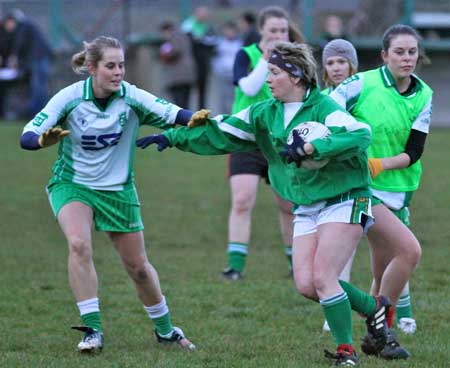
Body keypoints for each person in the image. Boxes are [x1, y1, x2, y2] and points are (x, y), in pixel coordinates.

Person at [137, 41, 392, 367]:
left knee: (324, 277)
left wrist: (315, 146)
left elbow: (360, 135)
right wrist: (172, 137)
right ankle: (374, 308)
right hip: (307, 204)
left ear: (297, 76)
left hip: (346, 197)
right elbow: (219, 131)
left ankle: (346, 353)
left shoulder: (325, 108)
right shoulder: (263, 113)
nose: (268, 79)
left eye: (274, 72)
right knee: (306, 284)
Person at [19, 36, 195, 353]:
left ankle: (166, 331)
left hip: (117, 190)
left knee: (138, 268)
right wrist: (40, 141)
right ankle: (92, 331)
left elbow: (173, 112)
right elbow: (28, 134)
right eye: (110, 66)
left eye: (122, 65)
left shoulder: (132, 97)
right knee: (78, 244)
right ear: (92, 68)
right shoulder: (70, 98)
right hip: (73, 184)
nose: (118, 72)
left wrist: (200, 118)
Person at [330, 24, 432, 359]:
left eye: (412, 52)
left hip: (399, 190)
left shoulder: (424, 95)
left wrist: (380, 164)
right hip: (363, 188)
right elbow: (327, 112)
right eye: (399, 52)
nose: (407, 59)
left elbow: (414, 151)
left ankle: (374, 334)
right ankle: (384, 329)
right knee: (410, 252)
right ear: (384, 55)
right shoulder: (361, 83)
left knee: (382, 273)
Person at [221, 6, 305, 281]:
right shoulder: (245, 55)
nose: (279, 35)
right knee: (243, 201)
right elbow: (249, 88)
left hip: (279, 140)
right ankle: (235, 267)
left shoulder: (294, 59)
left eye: (283, 30)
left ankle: (296, 265)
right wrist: (267, 59)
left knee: (288, 205)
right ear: (261, 31)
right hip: (246, 139)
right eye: (273, 30)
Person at [320, 38, 359, 333]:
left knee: (390, 251)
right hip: (330, 184)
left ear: (352, 65)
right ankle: (334, 304)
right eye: (331, 62)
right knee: (338, 250)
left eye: (341, 61)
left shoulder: (362, 95)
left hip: (365, 181)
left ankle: (399, 312)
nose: (336, 67)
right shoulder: (321, 99)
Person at [3, 9, 53, 117]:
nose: (7, 28)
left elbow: (20, 43)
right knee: (40, 86)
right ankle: (40, 112)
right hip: (41, 58)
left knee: (39, 86)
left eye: (7, 24)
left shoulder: (23, 26)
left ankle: (38, 112)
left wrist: (14, 56)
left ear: (11, 21)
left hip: (39, 58)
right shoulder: (26, 26)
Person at [181, 5, 217, 109]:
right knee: (187, 89)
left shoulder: (207, 27)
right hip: (189, 63)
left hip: (202, 63)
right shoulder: (187, 26)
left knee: (202, 88)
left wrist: (201, 40)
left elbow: (212, 42)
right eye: (202, 14)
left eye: (205, 14)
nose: (204, 16)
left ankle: (202, 110)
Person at [159, 20, 196, 108]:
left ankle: (183, 120)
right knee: (184, 102)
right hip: (185, 75)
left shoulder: (175, 38)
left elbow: (176, 52)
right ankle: (185, 119)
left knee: (179, 103)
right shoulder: (183, 37)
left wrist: (165, 56)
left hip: (178, 77)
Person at [211, 20, 242, 113]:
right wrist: (217, 70)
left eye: (231, 31)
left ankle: (235, 116)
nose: (229, 33)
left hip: (235, 75)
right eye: (227, 30)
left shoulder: (240, 44)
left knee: (234, 97)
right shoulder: (219, 44)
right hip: (222, 74)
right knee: (222, 97)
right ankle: (223, 117)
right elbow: (214, 59)